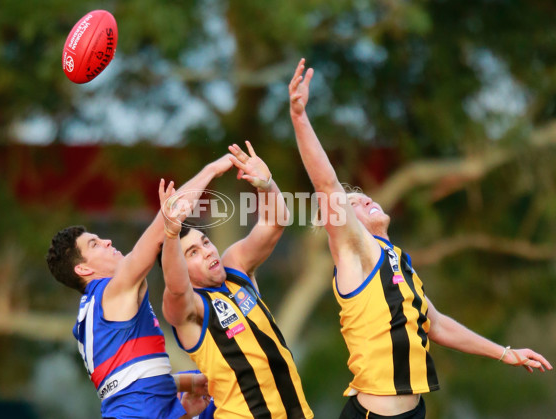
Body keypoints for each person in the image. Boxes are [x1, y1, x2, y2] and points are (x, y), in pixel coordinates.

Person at [288, 58, 553, 419]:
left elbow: (437, 323)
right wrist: (301, 119)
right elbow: (326, 185)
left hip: (414, 412)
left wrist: (505, 353)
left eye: (364, 196)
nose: (363, 198)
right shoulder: (358, 254)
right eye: (353, 206)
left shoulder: (398, 261)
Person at [45, 154, 236, 419]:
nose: (107, 242)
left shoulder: (90, 316)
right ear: (84, 270)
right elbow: (163, 227)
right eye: (95, 244)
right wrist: (212, 170)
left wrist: (184, 386)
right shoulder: (112, 291)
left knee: (218, 381)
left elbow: (131, 384)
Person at [158, 141, 313, 419]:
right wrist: (170, 235)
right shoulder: (189, 308)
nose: (207, 251)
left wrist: (267, 185)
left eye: (205, 242)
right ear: (180, 265)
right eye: (193, 252)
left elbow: (275, 223)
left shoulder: (235, 269)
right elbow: (176, 285)